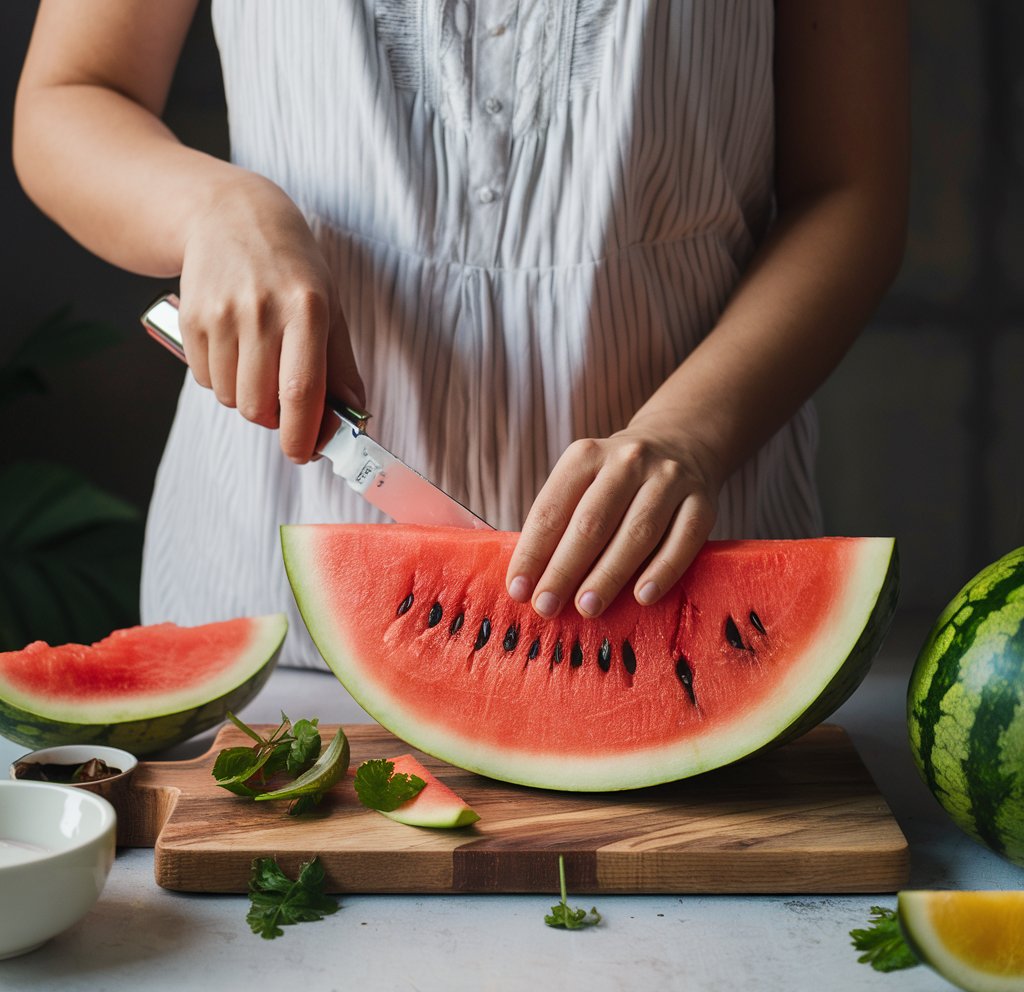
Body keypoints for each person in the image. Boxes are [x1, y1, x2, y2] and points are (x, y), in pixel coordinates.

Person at [13, 1, 908, 669]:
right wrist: (214, 206)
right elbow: (67, 98)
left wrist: (691, 434)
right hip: (265, 598)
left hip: (682, 599)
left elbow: (848, 188)